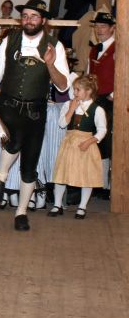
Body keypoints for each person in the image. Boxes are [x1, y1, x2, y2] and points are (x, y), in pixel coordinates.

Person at [0, 0, 70, 232]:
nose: (28, 20)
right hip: (8, 104)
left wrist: (50, 65)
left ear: (43, 20)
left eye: (34, 16)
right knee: (17, 137)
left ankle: (21, 212)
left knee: (29, 164)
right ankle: (0, 176)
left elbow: (63, 86)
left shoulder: (55, 46)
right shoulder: (10, 41)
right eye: (25, 16)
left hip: (36, 110)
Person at [48, 74, 106, 219]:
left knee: (86, 175)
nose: (74, 93)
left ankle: (82, 207)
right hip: (69, 143)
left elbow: (102, 130)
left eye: (78, 90)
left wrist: (89, 141)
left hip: (86, 144)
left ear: (88, 91)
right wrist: (71, 109)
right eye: (74, 89)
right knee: (62, 174)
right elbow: (62, 124)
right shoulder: (69, 104)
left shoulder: (97, 109)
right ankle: (57, 205)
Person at [87, 11, 115, 199]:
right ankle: (99, 183)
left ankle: (108, 186)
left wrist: (115, 94)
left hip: (111, 101)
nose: (99, 30)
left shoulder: (119, 47)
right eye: (97, 26)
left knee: (109, 141)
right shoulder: (94, 49)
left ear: (112, 28)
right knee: (97, 140)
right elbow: (89, 73)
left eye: (103, 26)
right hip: (96, 99)